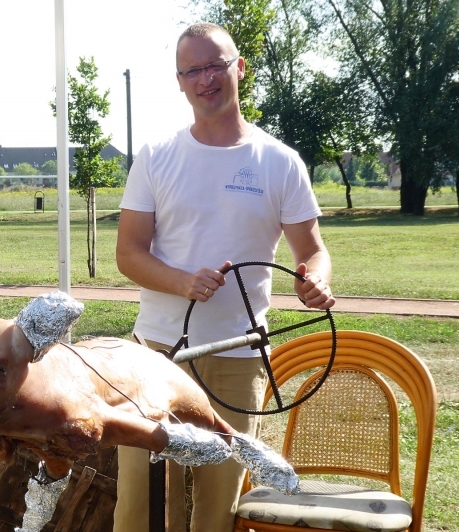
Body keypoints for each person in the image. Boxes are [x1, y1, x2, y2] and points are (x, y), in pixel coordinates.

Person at [114, 23, 336, 532]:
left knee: (218, 509)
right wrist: (181, 282)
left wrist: (315, 281)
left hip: (240, 358)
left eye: (215, 65)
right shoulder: (156, 156)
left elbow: (313, 251)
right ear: (179, 81)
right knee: (141, 505)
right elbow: (128, 253)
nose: (205, 79)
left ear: (240, 67)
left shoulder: (280, 162)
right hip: (158, 354)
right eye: (192, 70)